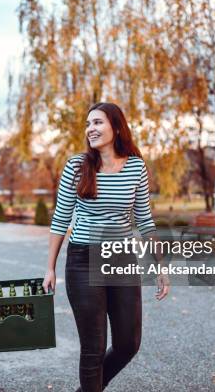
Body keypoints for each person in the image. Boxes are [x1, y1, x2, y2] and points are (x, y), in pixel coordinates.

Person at [42, 102, 169, 392]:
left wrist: (161, 266)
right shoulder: (77, 165)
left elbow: (145, 219)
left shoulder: (136, 166)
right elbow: (61, 218)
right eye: (88, 124)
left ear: (116, 126)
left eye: (97, 122)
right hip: (83, 260)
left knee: (128, 344)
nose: (91, 129)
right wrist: (49, 267)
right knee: (93, 349)